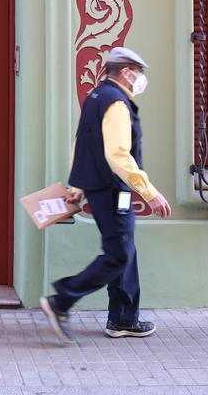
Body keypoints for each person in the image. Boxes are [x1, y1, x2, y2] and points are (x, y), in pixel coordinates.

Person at [39, 46, 171, 343]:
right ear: (126, 72)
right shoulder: (117, 103)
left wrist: (77, 188)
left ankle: (123, 318)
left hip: (99, 190)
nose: (140, 77)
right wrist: (149, 192)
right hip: (113, 192)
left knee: (125, 251)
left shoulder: (96, 97)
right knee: (119, 254)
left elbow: (83, 143)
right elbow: (117, 155)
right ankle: (62, 299)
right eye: (139, 71)